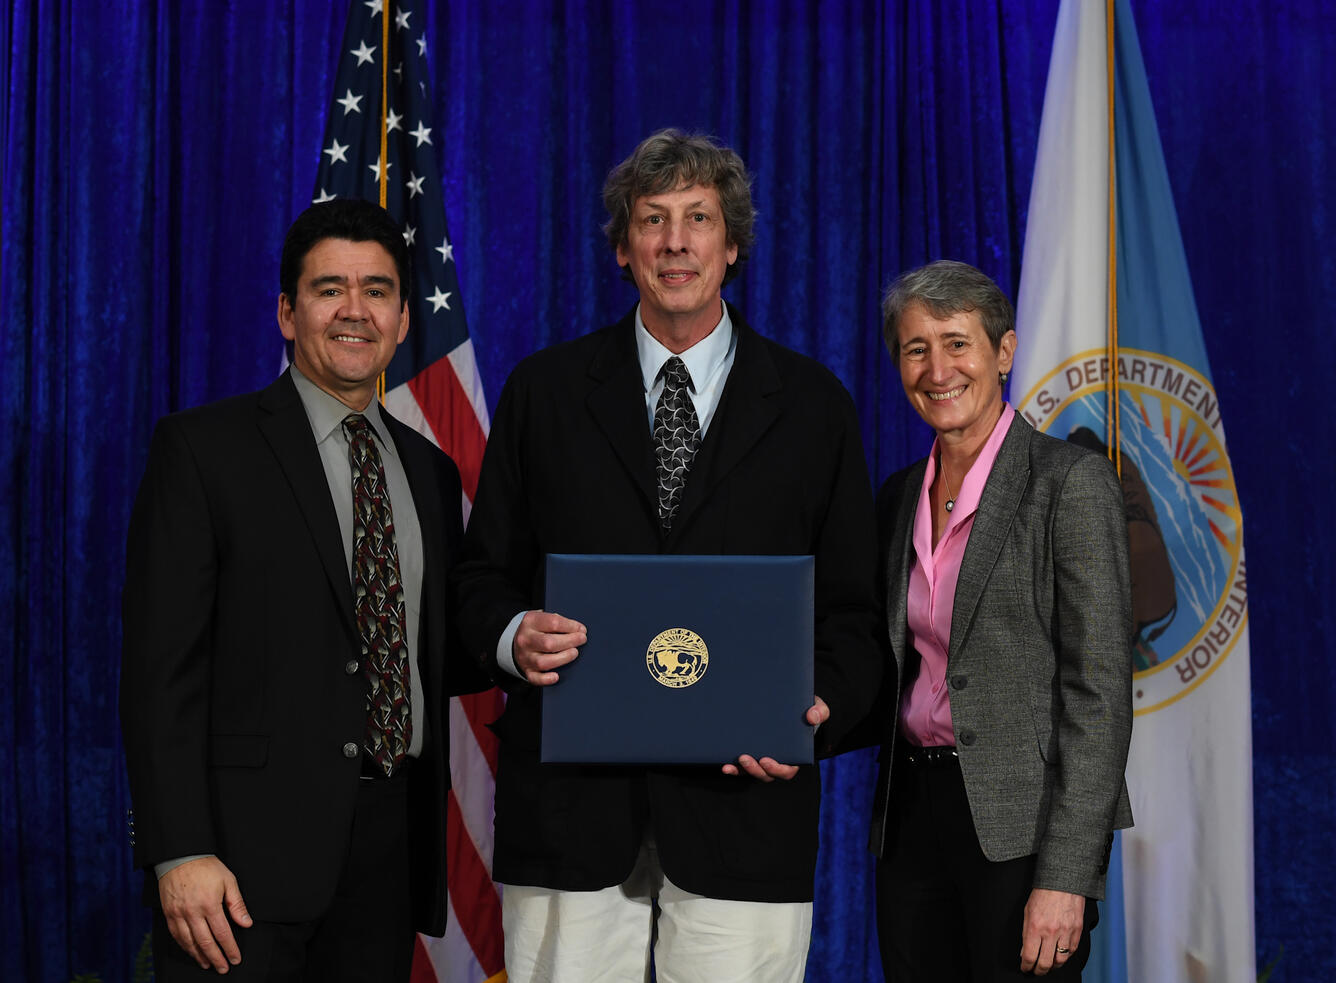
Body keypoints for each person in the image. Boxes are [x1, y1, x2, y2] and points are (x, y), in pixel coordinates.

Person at [451, 129, 881, 982]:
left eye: (698, 218)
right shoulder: (544, 392)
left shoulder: (812, 406)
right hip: (570, 813)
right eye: (652, 220)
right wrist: (511, 638)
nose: (675, 241)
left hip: (746, 808)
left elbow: (857, 617)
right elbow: (477, 583)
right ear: (622, 249)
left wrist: (811, 708)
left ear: (732, 245)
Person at [120, 198, 486, 981]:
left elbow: (445, 649)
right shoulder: (202, 450)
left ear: (401, 316)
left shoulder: (430, 472)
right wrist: (180, 847)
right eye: (329, 289)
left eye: (378, 290)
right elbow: (161, 672)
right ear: (288, 313)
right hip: (239, 867)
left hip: (389, 856)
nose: (355, 310)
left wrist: (539, 632)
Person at [867, 260, 1133, 981]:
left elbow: (1100, 692)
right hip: (913, 819)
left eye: (957, 342)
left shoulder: (1068, 484)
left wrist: (1069, 874)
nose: (937, 368)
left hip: (1024, 835)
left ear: (1003, 353)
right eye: (916, 347)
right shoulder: (896, 499)